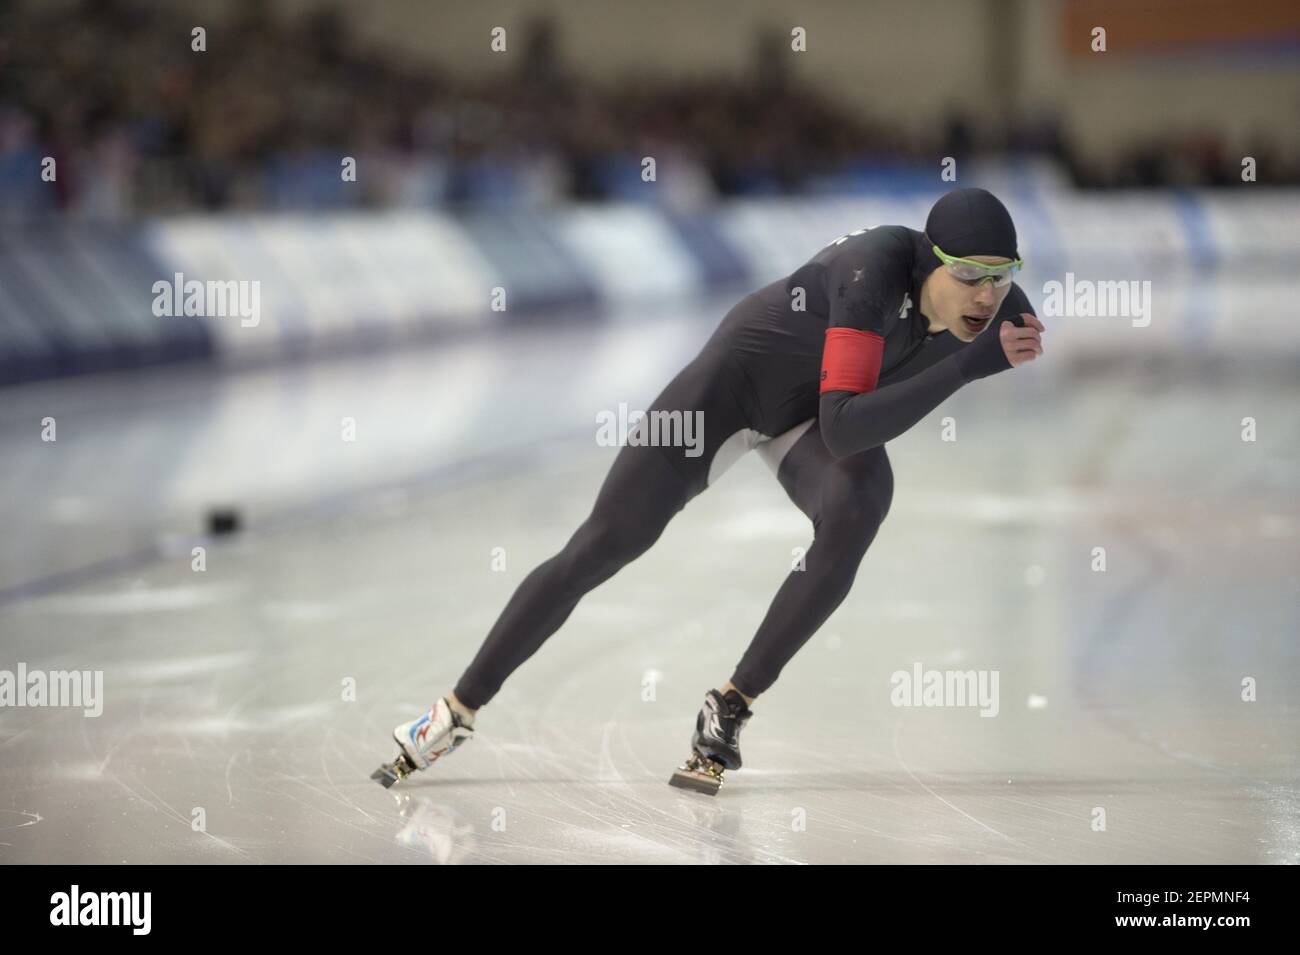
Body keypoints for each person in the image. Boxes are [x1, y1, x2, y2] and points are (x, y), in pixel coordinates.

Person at [372, 187, 1045, 793]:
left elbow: (846, 430)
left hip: (808, 413)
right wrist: (963, 367)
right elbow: (843, 429)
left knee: (859, 505)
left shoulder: (996, 308)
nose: (985, 296)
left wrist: (970, 349)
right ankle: (454, 710)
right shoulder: (872, 273)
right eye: (967, 276)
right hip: (729, 393)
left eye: (999, 277)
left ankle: (731, 703)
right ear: (930, 263)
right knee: (604, 545)